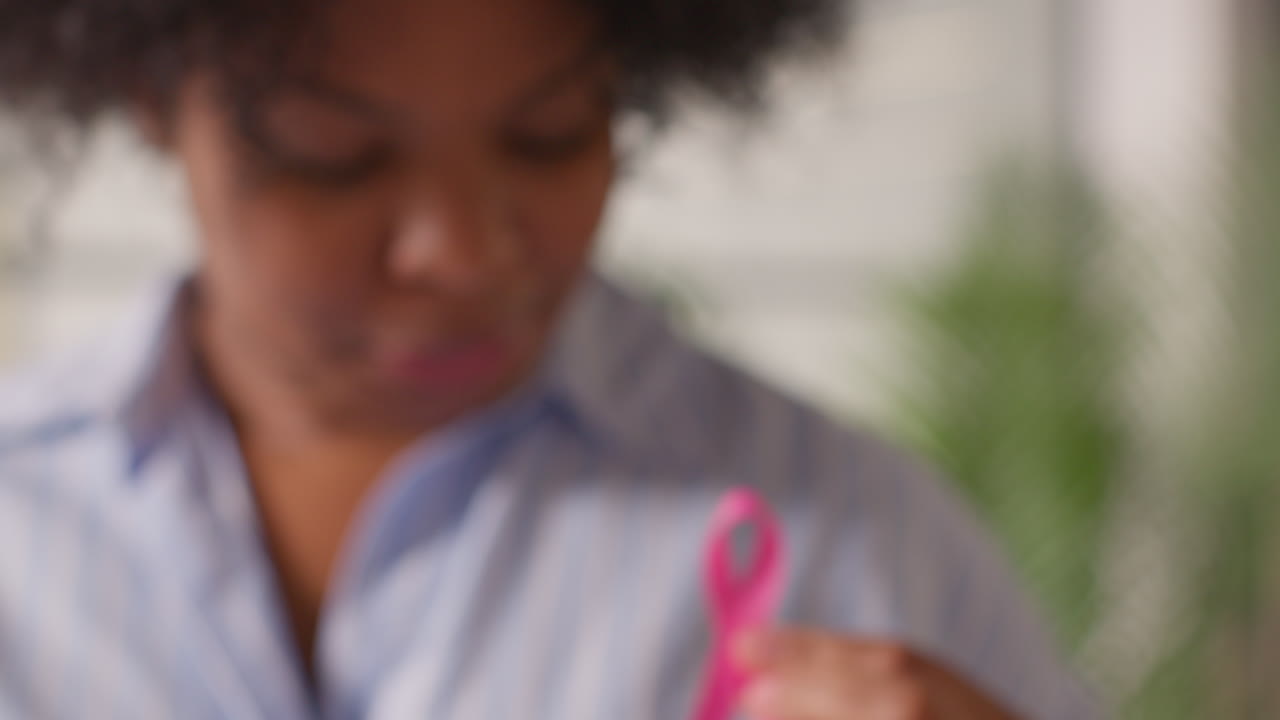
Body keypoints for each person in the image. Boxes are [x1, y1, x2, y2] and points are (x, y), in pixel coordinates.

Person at [0, 0, 1096, 718]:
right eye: (333, 156)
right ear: (150, 99)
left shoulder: (856, 538)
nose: (461, 253)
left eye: (550, 134)